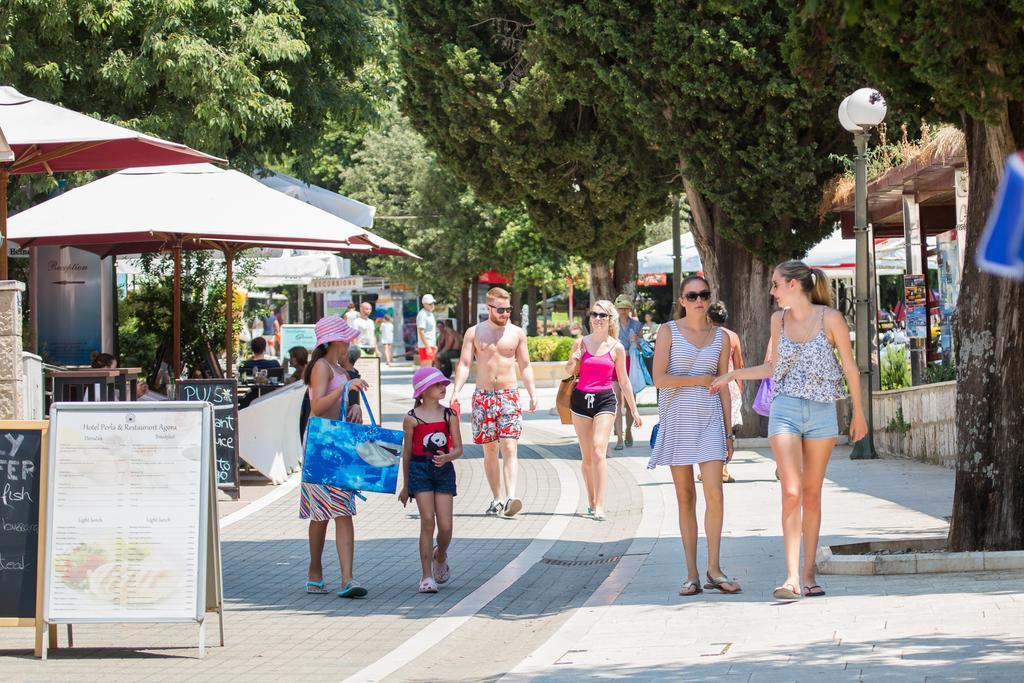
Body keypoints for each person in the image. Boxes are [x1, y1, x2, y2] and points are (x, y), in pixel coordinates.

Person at [711, 261, 867, 601]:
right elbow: (773, 367)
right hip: (785, 410)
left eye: (776, 284)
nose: (772, 291)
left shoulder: (831, 319)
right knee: (792, 492)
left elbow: (850, 367)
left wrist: (859, 414)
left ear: (795, 285)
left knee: (811, 495)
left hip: (823, 413)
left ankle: (809, 572)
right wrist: (732, 375)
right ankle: (791, 577)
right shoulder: (777, 320)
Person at [649, 276, 740, 598]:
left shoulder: (721, 337)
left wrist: (729, 432)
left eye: (704, 294)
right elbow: (659, 379)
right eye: (692, 295)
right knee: (685, 497)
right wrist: (700, 378)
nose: (699, 300)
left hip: (710, 420)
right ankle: (691, 575)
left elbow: (725, 386)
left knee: (715, 494)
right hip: (677, 420)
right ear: (682, 300)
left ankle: (714, 568)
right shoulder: (668, 332)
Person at [451, 287, 538, 517]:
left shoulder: (517, 333)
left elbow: (525, 365)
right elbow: (464, 364)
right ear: (489, 308)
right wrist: (456, 391)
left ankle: (511, 497)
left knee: (510, 445)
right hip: (483, 396)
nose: (505, 313)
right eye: (500, 310)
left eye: (509, 309)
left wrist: (532, 393)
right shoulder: (474, 333)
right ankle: (497, 498)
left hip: (508, 394)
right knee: (490, 450)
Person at [301, 316, 371, 598]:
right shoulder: (321, 367)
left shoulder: (339, 368)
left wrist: (353, 408)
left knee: (344, 509)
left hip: (339, 441)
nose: (349, 343)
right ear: (333, 341)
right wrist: (345, 389)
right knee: (320, 513)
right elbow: (316, 407)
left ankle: (347, 578)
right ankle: (314, 568)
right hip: (321, 443)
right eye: (345, 338)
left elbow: (337, 404)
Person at [567, 300, 641, 521]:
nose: (597, 319)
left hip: (605, 401)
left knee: (599, 450)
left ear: (610, 320)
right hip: (580, 401)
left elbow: (624, 382)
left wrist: (634, 411)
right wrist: (574, 359)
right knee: (587, 457)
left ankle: (600, 504)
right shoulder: (581, 343)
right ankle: (590, 500)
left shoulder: (617, 347)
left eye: (602, 315)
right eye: (594, 314)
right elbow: (569, 371)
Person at [399, 367, 463, 593]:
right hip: (419, 469)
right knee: (427, 521)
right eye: (438, 385)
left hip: (443, 469)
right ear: (424, 390)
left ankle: (440, 554)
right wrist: (406, 486)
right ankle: (426, 576)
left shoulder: (449, 415)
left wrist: (448, 456)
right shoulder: (411, 418)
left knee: (445, 527)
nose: (443, 388)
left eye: (444, 384)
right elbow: (406, 453)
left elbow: (458, 448)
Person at [706, 301, 743, 484]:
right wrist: (740, 387)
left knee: (715, 428)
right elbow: (739, 365)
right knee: (728, 428)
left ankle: (720, 469)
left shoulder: (705, 336)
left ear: (708, 317)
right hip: (730, 385)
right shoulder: (733, 336)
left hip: (711, 386)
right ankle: (722, 468)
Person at [613, 294, 643, 450]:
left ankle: (629, 430)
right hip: (614, 363)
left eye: (625, 308)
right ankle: (619, 437)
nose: (623, 311)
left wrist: (636, 342)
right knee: (616, 400)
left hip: (631, 363)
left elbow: (642, 347)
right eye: (620, 308)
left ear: (629, 309)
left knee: (631, 399)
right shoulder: (612, 324)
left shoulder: (637, 325)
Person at [417, 294, 438, 365]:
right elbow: (421, 331)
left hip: (430, 344)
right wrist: (427, 346)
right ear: (424, 304)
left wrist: (434, 345)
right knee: (427, 368)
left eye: (433, 303)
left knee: (428, 368)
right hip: (425, 346)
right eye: (430, 304)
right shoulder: (422, 314)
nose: (432, 305)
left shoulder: (430, 314)